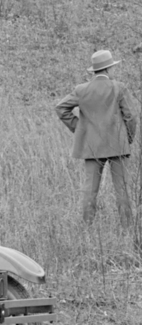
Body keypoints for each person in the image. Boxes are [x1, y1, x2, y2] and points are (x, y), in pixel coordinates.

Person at [55, 49, 136, 225]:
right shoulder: (119, 87)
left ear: (95, 70)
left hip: (91, 146)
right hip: (118, 145)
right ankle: (128, 228)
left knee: (89, 190)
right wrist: (127, 139)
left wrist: (79, 128)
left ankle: (87, 227)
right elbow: (130, 116)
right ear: (108, 69)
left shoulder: (82, 90)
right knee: (122, 189)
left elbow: (60, 108)